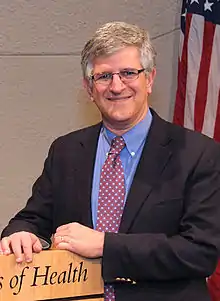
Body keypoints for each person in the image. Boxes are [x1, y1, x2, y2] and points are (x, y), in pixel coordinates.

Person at [0, 21, 220, 301]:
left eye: (128, 73)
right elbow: (33, 219)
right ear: (89, 88)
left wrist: (106, 245)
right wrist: (21, 233)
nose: (117, 86)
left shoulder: (198, 153)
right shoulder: (66, 150)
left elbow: (200, 252)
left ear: (149, 79)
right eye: (104, 76)